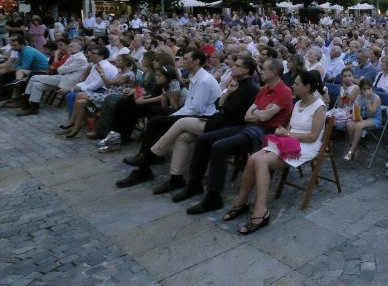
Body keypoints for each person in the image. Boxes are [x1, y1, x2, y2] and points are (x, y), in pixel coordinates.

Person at [179, 58, 293, 213]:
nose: (260, 71)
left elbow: (265, 117)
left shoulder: (284, 91)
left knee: (220, 146)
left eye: (264, 69)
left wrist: (258, 113)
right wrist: (259, 114)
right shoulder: (264, 89)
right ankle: (195, 183)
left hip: (265, 134)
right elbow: (248, 115)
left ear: (273, 72)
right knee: (204, 139)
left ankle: (214, 196)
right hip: (251, 126)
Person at [227, 70, 326, 234]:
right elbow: (292, 127)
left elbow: (313, 136)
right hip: (291, 141)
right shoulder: (298, 103)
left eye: (296, 84)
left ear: (307, 87)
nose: (293, 86)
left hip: (306, 145)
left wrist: (286, 133)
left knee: (262, 161)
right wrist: (286, 132)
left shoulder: (319, 107)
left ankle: (261, 211)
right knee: (253, 158)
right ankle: (241, 201)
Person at [145, 56, 260, 193]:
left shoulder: (251, 88)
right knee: (184, 137)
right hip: (219, 120)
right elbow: (218, 104)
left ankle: (153, 153)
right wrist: (227, 93)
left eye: (237, 65)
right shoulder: (236, 83)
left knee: (182, 122)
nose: (232, 67)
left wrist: (225, 100)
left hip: (228, 126)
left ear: (246, 70)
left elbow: (230, 112)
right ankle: (176, 178)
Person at [116, 50, 221, 188]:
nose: (182, 61)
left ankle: (146, 162)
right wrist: (173, 115)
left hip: (203, 117)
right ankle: (148, 161)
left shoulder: (204, 80)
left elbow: (197, 109)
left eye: (186, 58)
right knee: (157, 115)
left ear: (196, 61)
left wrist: (174, 115)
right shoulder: (195, 76)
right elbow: (190, 105)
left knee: (156, 122)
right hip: (192, 113)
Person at [343, 77, 383, 161]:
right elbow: (358, 110)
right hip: (364, 118)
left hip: (374, 119)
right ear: (360, 90)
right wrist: (355, 115)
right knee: (350, 124)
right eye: (364, 89)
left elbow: (372, 112)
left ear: (372, 88)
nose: (367, 91)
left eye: (369, 88)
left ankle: (351, 151)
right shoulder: (360, 97)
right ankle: (353, 145)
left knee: (359, 125)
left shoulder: (376, 98)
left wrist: (368, 100)